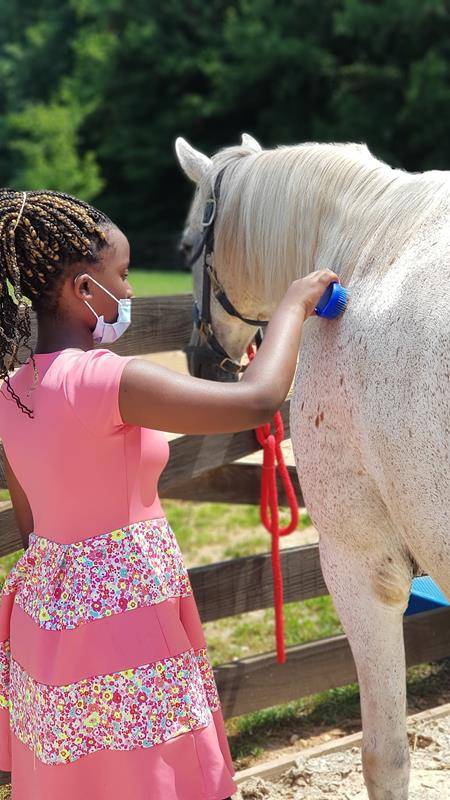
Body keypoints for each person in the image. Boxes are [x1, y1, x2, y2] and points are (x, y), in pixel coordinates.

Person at [0, 188, 338, 800]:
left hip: (50, 615)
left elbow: (32, 522)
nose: (129, 291)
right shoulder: (106, 379)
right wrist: (291, 306)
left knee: (82, 774)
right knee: (150, 771)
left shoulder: (12, 391)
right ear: (82, 290)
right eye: (121, 276)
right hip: (126, 609)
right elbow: (256, 401)